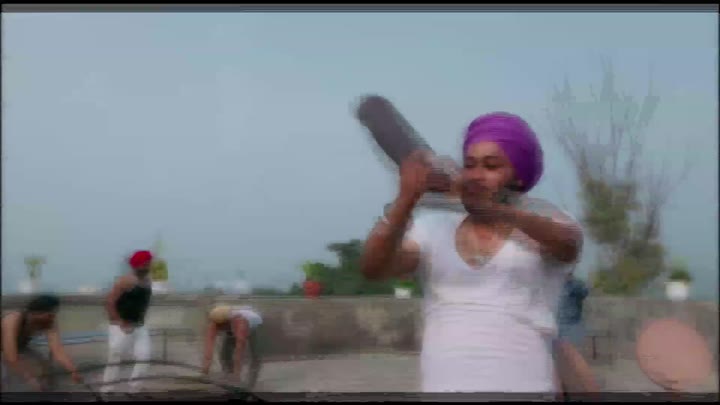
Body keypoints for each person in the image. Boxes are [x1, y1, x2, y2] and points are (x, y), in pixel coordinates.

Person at [360, 112, 584, 394]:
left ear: (518, 176)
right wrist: (406, 199)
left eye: (491, 166)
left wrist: (496, 210)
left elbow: (568, 245)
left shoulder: (545, 223)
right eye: (469, 165)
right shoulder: (432, 227)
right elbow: (374, 268)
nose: (477, 175)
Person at [1, 294, 83, 391]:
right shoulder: (12, 319)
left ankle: (47, 390)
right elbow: (10, 357)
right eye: (49, 315)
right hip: (6, 351)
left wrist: (72, 370)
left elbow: (57, 350)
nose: (52, 318)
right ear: (35, 313)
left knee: (43, 365)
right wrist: (29, 378)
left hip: (20, 348)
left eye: (54, 314)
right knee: (6, 375)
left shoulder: (49, 321)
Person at [101, 250, 154, 393]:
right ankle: (107, 389)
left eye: (149, 263)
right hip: (120, 326)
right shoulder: (125, 281)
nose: (148, 266)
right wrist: (119, 322)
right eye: (146, 264)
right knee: (115, 356)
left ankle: (134, 388)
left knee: (144, 356)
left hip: (139, 326)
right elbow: (110, 302)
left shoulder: (147, 282)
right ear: (137, 265)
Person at [201, 304, 263, 387]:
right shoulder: (214, 323)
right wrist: (205, 370)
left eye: (222, 326)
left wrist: (236, 375)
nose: (219, 328)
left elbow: (239, 351)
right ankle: (228, 374)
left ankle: (251, 381)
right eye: (218, 325)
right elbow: (208, 348)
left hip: (253, 327)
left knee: (255, 355)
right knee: (224, 354)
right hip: (233, 325)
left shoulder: (240, 323)